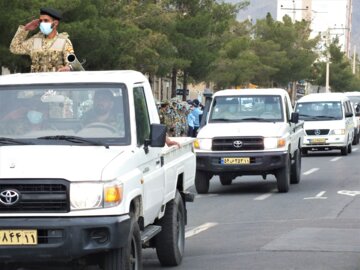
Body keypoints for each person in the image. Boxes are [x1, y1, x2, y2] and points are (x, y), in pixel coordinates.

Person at [10, 7, 75, 72]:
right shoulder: (34, 41)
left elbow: (72, 61)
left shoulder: (64, 42)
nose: (42, 23)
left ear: (55, 23)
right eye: (41, 21)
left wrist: (68, 67)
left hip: (56, 81)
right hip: (37, 81)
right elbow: (14, 48)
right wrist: (25, 29)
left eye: (46, 20)